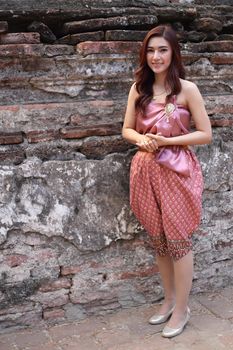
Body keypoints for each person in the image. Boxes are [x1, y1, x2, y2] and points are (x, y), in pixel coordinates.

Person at [122, 24, 212, 338]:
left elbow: (205, 134)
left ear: (173, 52)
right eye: (150, 50)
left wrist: (167, 142)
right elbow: (127, 129)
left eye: (162, 49)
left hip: (176, 171)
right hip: (145, 169)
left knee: (178, 242)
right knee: (159, 240)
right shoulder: (139, 88)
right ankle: (169, 301)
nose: (156, 56)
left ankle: (183, 308)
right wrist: (141, 140)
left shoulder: (187, 90)